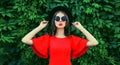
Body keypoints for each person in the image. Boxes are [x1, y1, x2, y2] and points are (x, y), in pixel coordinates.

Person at [21, 6, 98, 65]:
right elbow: (25, 40)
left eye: (63, 18)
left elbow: (94, 42)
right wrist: (40, 27)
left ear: (66, 21)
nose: (60, 20)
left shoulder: (72, 39)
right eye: (57, 18)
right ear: (54, 21)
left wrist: (81, 28)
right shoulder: (48, 38)